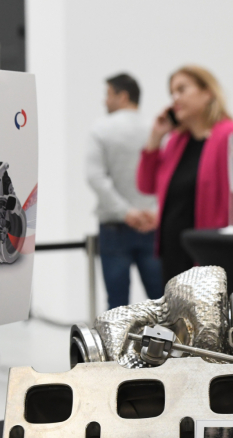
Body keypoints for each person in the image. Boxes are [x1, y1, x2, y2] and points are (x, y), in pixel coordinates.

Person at [137, 65, 233, 284]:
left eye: (182, 89)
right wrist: (155, 138)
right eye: (172, 93)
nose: (175, 98)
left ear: (207, 92)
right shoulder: (176, 142)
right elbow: (146, 185)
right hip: (173, 256)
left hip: (211, 260)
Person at [86, 73, 163, 309]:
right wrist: (153, 211)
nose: (105, 100)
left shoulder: (101, 129)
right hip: (152, 224)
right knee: (163, 303)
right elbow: (167, 177)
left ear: (123, 96)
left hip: (115, 226)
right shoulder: (156, 129)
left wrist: (126, 212)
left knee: (117, 307)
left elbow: (95, 177)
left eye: (108, 94)